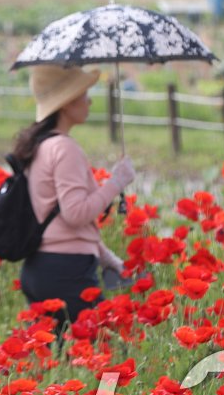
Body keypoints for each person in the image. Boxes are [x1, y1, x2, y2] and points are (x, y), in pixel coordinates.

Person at [15, 66, 135, 338]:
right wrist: (117, 181)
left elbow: (58, 222)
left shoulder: (40, 146)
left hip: (39, 268)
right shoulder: (64, 148)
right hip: (67, 272)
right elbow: (75, 213)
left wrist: (107, 258)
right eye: (84, 94)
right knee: (108, 355)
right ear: (68, 103)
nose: (89, 101)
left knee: (53, 362)